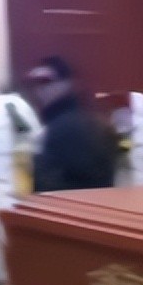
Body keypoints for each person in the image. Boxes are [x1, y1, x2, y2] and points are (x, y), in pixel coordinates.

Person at [25, 56, 116, 194]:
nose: (39, 90)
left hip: (72, 204)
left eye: (45, 81)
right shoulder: (80, 120)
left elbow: (75, 184)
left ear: (67, 83)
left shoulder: (69, 127)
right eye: (34, 84)